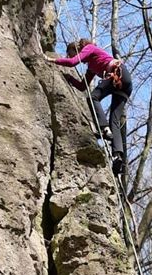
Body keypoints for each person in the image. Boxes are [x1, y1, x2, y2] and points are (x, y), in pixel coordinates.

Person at [45, 39, 131, 175]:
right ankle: (118, 156)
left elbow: (72, 62)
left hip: (117, 73)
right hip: (125, 82)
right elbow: (82, 86)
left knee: (93, 98)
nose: (69, 56)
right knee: (114, 119)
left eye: (70, 53)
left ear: (76, 49)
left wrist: (51, 60)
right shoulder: (91, 66)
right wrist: (70, 79)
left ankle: (104, 129)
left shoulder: (90, 48)